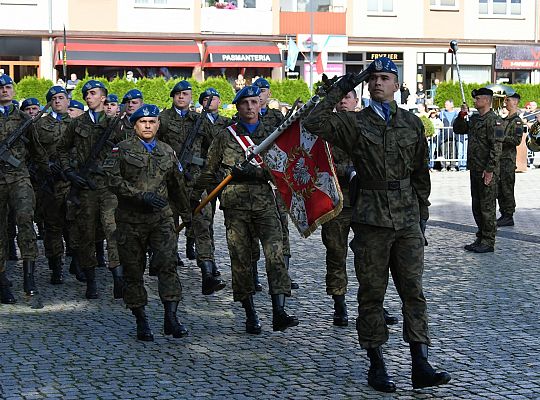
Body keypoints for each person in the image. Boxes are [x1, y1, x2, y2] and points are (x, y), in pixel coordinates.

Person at [304, 57, 451, 393]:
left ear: (397, 84)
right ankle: (377, 364)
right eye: (373, 79)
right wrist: (348, 82)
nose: (377, 83)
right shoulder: (354, 123)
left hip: (407, 221)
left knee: (413, 293)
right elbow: (314, 120)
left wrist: (423, 215)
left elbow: (420, 174)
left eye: (384, 78)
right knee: (372, 295)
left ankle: (420, 364)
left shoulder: (412, 124)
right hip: (371, 220)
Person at [194, 85, 298, 335]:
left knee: (275, 254)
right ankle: (250, 314)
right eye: (245, 103)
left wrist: (259, 172)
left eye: (254, 102)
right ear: (238, 107)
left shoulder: (273, 133)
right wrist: (198, 194)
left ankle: (279, 311)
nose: (250, 107)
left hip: (265, 203)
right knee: (241, 260)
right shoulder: (225, 135)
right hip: (236, 206)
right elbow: (210, 170)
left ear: (259, 104)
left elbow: (285, 168)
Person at [104, 104, 191, 342]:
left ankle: (171, 317)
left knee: (167, 264)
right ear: (135, 125)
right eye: (143, 122)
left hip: (161, 218)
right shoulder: (120, 150)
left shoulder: (167, 151)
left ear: (158, 125)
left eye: (152, 122)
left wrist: (188, 214)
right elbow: (112, 180)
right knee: (133, 270)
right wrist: (138, 195)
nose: (148, 126)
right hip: (130, 220)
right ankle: (141, 319)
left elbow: (177, 186)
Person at [322, 89, 398, 328]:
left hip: (366, 201)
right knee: (336, 254)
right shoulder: (325, 127)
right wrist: (347, 170)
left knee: (372, 257)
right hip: (337, 201)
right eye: (340, 97)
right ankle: (339, 303)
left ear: (356, 101)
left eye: (348, 97)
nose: (344, 101)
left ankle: (375, 304)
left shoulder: (369, 124)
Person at [57, 79, 124, 299]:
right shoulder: (77, 124)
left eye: (93, 93)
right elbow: (62, 149)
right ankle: (91, 281)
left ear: (103, 97)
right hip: (85, 187)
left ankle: (118, 277)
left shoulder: (116, 124)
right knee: (86, 233)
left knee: (112, 230)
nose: (88, 96)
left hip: (109, 187)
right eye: (86, 94)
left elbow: (128, 151)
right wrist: (70, 173)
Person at [158, 80, 226, 295]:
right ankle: (166, 270)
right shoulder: (163, 119)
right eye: (177, 94)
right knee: (168, 228)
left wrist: (204, 163)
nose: (181, 97)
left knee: (202, 227)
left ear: (190, 97)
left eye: (185, 94)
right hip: (170, 183)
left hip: (195, 183)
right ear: (172, 96)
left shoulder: (199, 119)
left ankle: (207, 272)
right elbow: (154, 146)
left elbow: (215, 143)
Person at [0, 75, 50, 302]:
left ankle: (29, 276)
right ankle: (2, 281)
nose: (4, 91)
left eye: (8, 87)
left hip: (19, 177)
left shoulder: (23, 119)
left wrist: (46, 175)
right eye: (0, 88)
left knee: (25, 222)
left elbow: (38, 150)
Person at [252, 77, 298, 290]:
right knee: (252, 231)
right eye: (256, 91)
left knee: (282, 226)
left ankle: (284, 275)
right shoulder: (242, 120)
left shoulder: (277, 117)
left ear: (269, 94)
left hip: (277, 179)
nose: (260, 95)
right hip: (255, 183)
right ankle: (252, 274)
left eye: (264, 90)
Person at [453, 87, 503, 253]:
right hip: (474, 168)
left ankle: (488, 241)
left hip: (486, 170)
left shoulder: (494, 121)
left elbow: (496, 148)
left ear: (487, 100)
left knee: (487, 207)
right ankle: (480, 236)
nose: (475, 101)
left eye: (478, 98)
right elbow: (459, 129)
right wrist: (462, 115)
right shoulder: (475, 119)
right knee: (477, 205)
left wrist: (490, 170)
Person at [33, 85, 73, 284]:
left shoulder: (78, 124)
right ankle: (56, 267)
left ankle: (80, 263)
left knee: (75, 225)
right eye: (53, 99)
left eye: (61, 97)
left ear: (67, 100)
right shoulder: (39, 126)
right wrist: (46, 166)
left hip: (72, 183)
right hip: (50, 183)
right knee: (53, 227)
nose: (57, 101)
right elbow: (33, 152)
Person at [496, 92, 524, 227]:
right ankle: (503, 213)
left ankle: (508, 214)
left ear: (515, 102)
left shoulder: (517, 121)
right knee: (500, 188)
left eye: (508, 100)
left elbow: (517, 140)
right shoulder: (504, 120)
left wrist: (501, 138)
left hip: (508, 160)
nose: (505, 103)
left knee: (507, 187)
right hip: (500, 158)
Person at [439, 100, 460, 171]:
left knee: (453, 152)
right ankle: (443, 166)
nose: (445, 106)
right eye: (445, 104)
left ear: (452, 105)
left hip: (454, 136)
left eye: (447, 105)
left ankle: (452, 166)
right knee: (443, 152)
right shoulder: (442, 114)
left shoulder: (456, 114)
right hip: (444, 136)